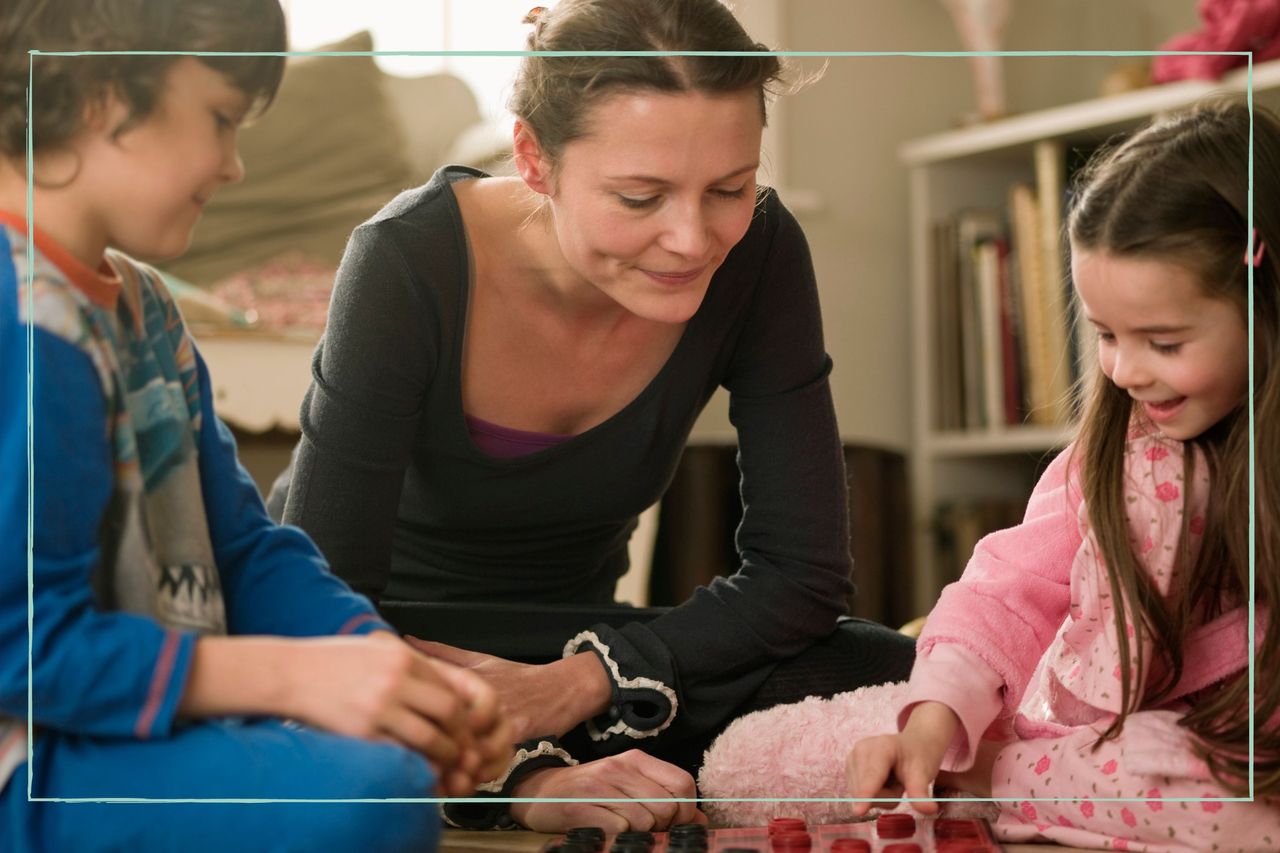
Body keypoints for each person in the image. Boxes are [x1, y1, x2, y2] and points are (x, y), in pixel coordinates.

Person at [271, 0, 917, 832]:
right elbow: (323, 606)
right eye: (640, 196)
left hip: (592, 663)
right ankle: (514, 775)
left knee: (885, 665)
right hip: (388, 650)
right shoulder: (406, 258)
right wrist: (523, 771)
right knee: (289, 689)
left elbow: (804, 576)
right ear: (535, 160)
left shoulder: (760, 251)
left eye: (729, 187)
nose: (691, 239)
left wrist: (573, 682)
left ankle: (594, 756)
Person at [0, 2, 512, 851]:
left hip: (121, 726)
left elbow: (240, 548)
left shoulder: (144, 307)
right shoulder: (24, 325)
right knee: (367, 794)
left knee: (388, 764)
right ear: (97, 93)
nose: (234, 165)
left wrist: (385, 669)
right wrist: (290, 674)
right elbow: (17, 648)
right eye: (220, 119)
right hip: (27, 757)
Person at [843, 99, 1279, 851]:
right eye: (1106, 335)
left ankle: (994, 778)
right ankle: (988, 771)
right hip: (1139, 751)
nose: (1126, 370)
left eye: (1164, 341)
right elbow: (1006, 592)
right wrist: (936, 716)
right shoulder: (1110, 455)